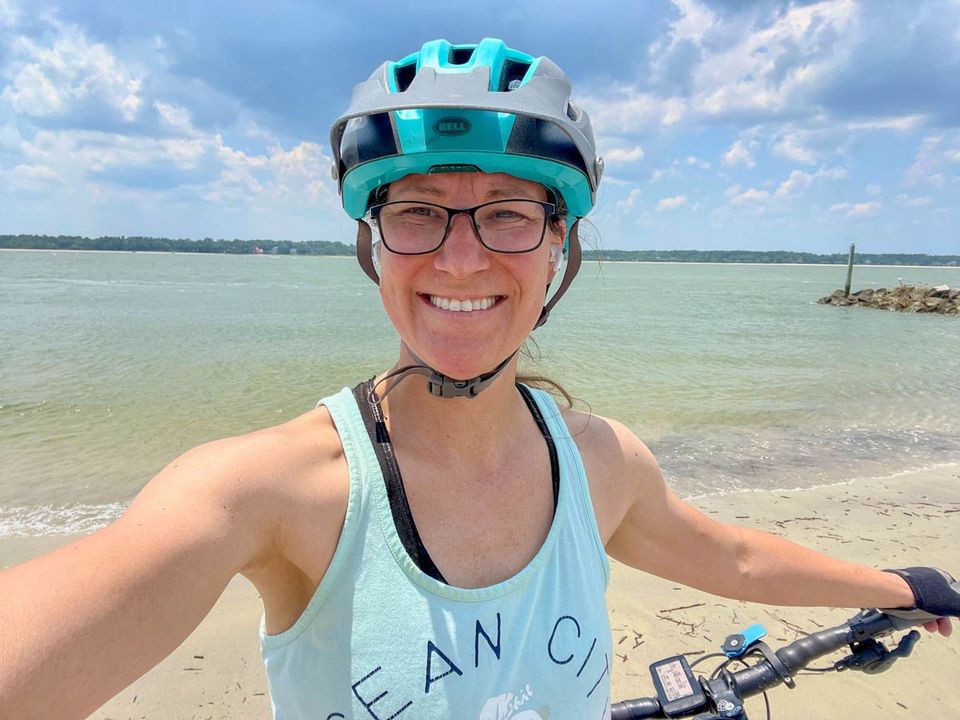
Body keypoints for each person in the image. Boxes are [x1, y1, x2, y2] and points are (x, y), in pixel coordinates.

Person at [1, 38, 958, 720]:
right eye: (418, 212)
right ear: (374, 247)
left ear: (559, 249)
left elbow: (733, 561)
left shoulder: (599, 462)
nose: (459, 261)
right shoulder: (268, 491)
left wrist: (901, 582)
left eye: (506, 214)